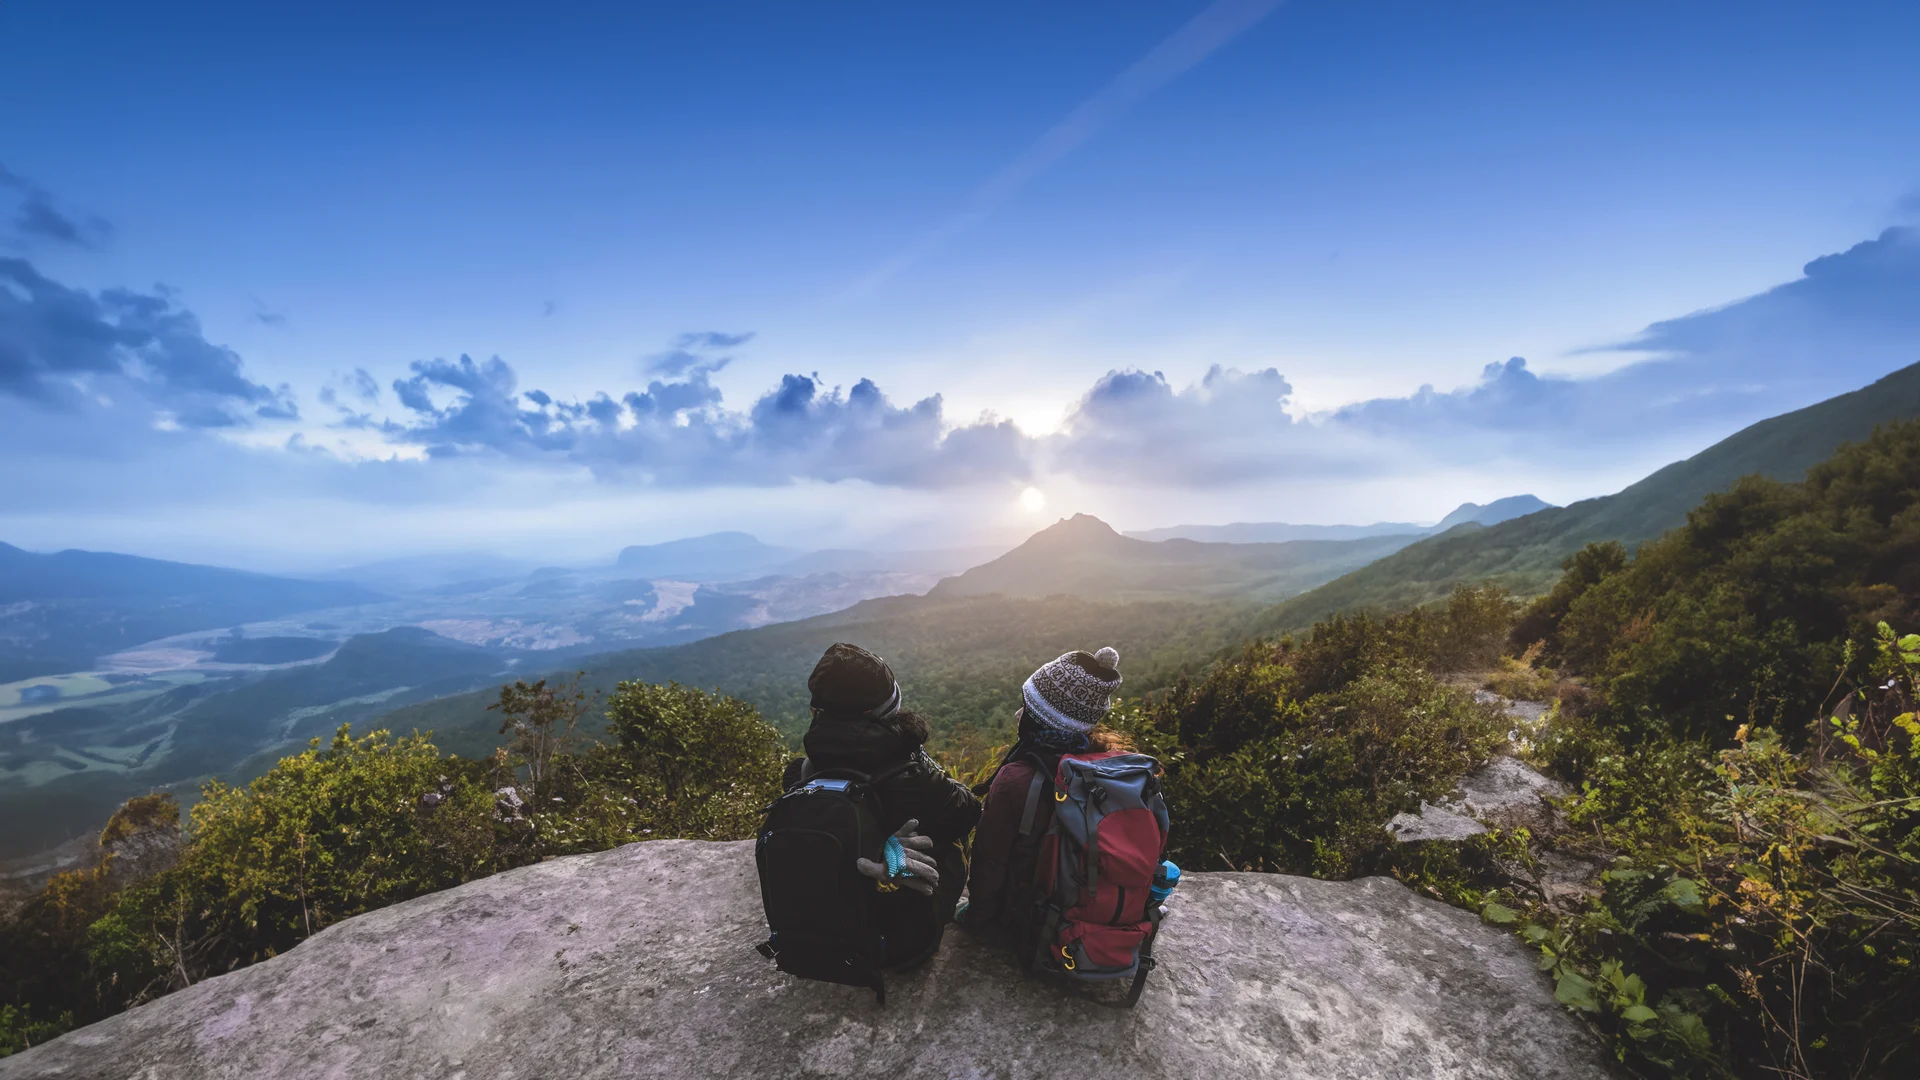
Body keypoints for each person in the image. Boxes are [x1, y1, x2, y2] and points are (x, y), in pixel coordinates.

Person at [783, 642, 981, 969]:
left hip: (822, 930)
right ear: (887, 709)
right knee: (952, 835)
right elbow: (969, 811)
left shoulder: (806, 770)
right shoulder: (912, 779)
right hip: (901, 944)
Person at [963, 646, 1132, 947]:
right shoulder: (1116, 767)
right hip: (1099, 908)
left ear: (1040, 717)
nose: (1019, 714)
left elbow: (990, 861)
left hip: (1034, 917)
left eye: (1026, 707)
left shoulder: (1016, 779)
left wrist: (977, 917)